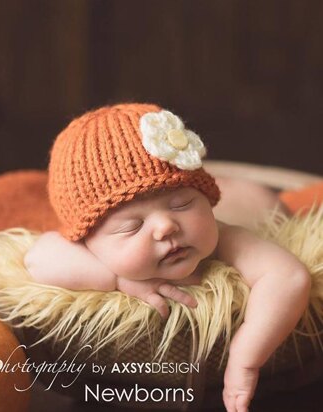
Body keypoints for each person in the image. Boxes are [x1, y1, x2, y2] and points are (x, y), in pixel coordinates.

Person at [24, 103, 310, 412]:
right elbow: (37, 259)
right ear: (85, 239)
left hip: (251, 202)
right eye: (132, 225)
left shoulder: (225, 237)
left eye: (183, 204)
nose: (165, 226)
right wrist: (118, 280)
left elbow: (289, 277)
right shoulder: (81, 251)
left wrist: (246, 354)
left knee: (269, 204)